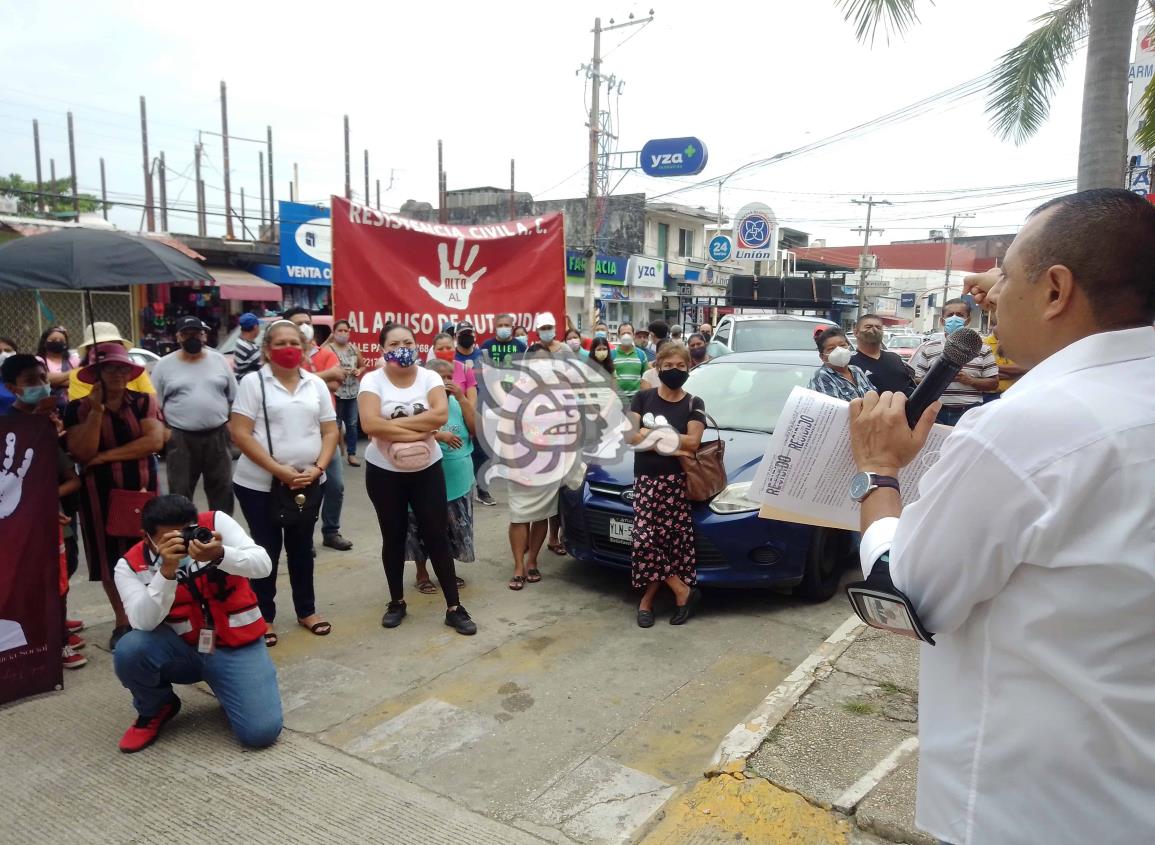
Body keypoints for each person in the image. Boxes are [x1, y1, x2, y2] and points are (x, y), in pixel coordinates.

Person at [846, 188, 1155, 845]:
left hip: (1039, 807)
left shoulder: (1028, 429)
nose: (987, 292)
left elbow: (906, 596)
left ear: (1054, 290)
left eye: (1005, 273)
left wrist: (877, 471)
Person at [111, 494, 282, 753]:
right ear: (146, 537)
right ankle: (156, 706)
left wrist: (221, 554)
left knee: (260, 733)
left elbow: (264, 565)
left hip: (234, 645)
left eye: (187, 532)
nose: (183, 542)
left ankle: (233, 686)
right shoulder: (129, 566)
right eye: (169, 539)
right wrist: (166, 572)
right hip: (180, 651)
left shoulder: (215, 524)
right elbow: (142, 622)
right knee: (130, 649)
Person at [358, 323, 477, 635]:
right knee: (393, 536)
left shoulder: (430, 377)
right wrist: (421, 431)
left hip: (428, 470)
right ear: (382, 348)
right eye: (395, 343)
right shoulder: (373, 380)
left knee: (436, 534)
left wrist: (393, 426)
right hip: (384, 471)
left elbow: (439, 416)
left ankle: (454, 606)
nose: (403, 347)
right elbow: (369, 423)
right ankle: (396, 601)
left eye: (408, 342)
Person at [228, 320, 338, 646]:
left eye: (295, 342)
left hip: (308, 482)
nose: (288, 348)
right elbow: (240, 432)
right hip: (260, 485)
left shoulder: (315, 384)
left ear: (304, 350)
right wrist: (278, 469)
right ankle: (264, 616)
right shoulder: (253, 383)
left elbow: (330, 431)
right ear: (266, 350)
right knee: (267, 550)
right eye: (280, 343)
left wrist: (318, 468)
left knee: (302, 548)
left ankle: (307, 610)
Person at [64, 343, 165, 651]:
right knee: (109, 558)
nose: (118, 374)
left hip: (141, 491)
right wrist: (96, 410)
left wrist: (105, 457)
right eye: (110, 368)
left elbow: (152, 441)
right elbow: (81, 452)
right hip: (99, 496)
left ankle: (153, 614)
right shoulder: (77, 408)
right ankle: (122, 621)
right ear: (97, 374)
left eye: (123, 368)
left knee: (149, 552)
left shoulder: (143, 401)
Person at [3, 354, 86, 668]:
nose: (40, 384)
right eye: (30, 380)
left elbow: (69, 477)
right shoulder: (9, 428)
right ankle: (54, 640)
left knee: (65, 570)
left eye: (42, 377)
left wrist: (54, 426)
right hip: (25, 522)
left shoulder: (52, 419)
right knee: (40, 578)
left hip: (57, 516)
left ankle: (57, 624)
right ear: (12, 388)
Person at [628, 343, 706, 628]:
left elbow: (693, 442)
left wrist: (652, 433)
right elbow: (630, 437)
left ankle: (648, 601)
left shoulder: (694, 403)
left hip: (676, 484)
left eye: (681, 366)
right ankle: (681, 589)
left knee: (669, 545)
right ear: (657, 367)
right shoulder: (642, 397)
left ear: (689, 368)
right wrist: (675, 448)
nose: (675, 371)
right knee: (644, 541)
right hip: (646, 483)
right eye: (669, 366)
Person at [151, 317, 237, 515]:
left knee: (222, 488)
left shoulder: (218, 360)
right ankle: (183, 535)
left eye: (197, 333)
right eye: (187, 334)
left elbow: (234, 395)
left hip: (217, 434)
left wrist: (231, 423)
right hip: (181, 437)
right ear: (178, 337)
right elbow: (154, 405)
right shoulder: (164, 365)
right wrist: (164, 432)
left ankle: (221, 532)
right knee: (180, 490)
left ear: (204, 335)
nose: (193, 338)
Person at [284, 308, 352, 552]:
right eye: (298, 323)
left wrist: (310, 377)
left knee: (335, 484)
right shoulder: (286, 354)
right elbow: (290, 379)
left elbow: (337, 381)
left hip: (327, 429)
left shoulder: (324, 353)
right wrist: (323, 376)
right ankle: (304, 536)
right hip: (296, 430)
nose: (305, 327)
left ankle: (331, 531)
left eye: (307, 322)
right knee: (302, 486)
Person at [407, 358, 475, 595]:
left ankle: (446, 570)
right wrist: (438, 435)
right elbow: (407, 432)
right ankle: (422, 573)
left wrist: (463, 399)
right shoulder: (417, 403)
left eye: (450, 377)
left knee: (451, 527)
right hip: (425, 475)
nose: (446, 382)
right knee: (422, 525)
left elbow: (475, 429)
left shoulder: (456, 402)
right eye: (441, 377)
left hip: (458, 475)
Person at [908, 298, 998, 426]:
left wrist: (970, 380)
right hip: (935, 411)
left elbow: (993, 384)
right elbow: (916, 379)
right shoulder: (928, 348)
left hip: (970, 412)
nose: (954, 318)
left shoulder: (982, 348)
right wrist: (938, 376)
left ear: (968, 320)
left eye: (960, 315)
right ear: (942, 320)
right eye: (950, 315)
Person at [68, 323, 155, 401]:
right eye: (100, 345)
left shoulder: (135, 370)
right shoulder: (78, 375)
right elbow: (80, 409)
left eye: (112, 344)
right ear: (89, 350)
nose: (108, 349)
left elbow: (151, 401)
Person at [326, 319, 365, 466]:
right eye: (339, 331)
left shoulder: (354, 349)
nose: (343, 334)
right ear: (334, 333)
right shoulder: (329, 349)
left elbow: (362, 365)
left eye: (346, 331)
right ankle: (333, 455)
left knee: (352, 424)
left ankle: (352, 454)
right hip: (336, 393)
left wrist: (358, 371)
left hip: (353, 392)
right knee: (334, 425)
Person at [850, 314, 916, 396]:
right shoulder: (850, 362)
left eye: (878, 327)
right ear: (856, 332)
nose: (874, 330)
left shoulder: (894, 358)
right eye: (868, 327)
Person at [809, 327, 875, 401]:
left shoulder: (856, 370)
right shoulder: (822, 377)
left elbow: (874, 395)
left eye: (842, 345)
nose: (839, 351)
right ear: (822, 356)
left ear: (848, 346)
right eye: (831, 348)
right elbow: (835, 408)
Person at [36, 325, 80, 415]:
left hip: (74, 408)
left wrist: (54, 380)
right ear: (44, 342)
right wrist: (72, 372)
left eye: (61, 341)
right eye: (53, 340)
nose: (57, 342)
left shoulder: (73, 359)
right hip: (49, 410)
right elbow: (45, 379)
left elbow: (80, 379)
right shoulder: (38, 359)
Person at [611, 322, 648, 399]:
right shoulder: (612, 354)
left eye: (629, 333)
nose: (626, 336)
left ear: (633, 335)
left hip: (636, 399)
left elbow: (645, 377)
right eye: (623, 333)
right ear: (618, 336)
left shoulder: (641, 354)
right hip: (617, 399)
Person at [232, 312, 262, 382]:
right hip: (249, 386)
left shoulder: (240, 341)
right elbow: (266, 363)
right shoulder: (248, 348)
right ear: (255, 327)